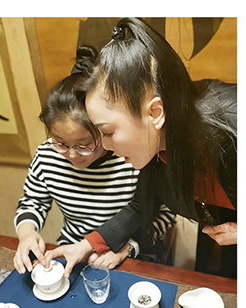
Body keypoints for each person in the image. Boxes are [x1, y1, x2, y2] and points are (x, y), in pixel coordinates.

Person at [44, 18, 237, 279]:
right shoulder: (156, 151)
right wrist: (84, 246)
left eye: (107, 132)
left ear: (154, 112)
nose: (106, 146)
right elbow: (141, 206)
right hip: (217, 230)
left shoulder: (233, 126)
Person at [14, 45, 174, 274]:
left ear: (104, 130)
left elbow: (163, 213)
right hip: (72, 252)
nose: (71, 154)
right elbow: (33, 202)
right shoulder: (46, 156)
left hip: (131, 254)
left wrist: (128, 248)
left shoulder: (133, 157)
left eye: (84, 145)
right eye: (60, 142)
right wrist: (27, 233)